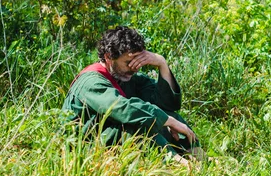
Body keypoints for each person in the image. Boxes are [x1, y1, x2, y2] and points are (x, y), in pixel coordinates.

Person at [62, 26, 205, 166]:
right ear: (108, 57)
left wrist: (162, 63)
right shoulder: (91, 81)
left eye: (138, 61)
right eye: (128, 62)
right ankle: (181, 165)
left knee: (167, 114)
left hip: (109, 140)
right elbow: (122, 109)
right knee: (139, 125)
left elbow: (167, 104)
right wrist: (168, 121)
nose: (134, 67)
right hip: (84, 148)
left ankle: (199, 157)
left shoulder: (126, 76)